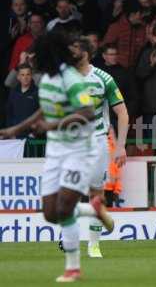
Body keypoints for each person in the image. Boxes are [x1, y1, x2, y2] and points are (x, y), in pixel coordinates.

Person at [0, 31, 114, 282]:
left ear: (47, 53)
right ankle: (93, 208)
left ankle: (73, 267)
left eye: (34, 53)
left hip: (78, 150)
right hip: (55, 151)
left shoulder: (71, 78)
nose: (30, 58)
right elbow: (46, 107)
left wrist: (52, 126)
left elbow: (87, 112)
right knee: (50, 213)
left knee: (63, 208)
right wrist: (15, 130)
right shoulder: (48, 78)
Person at [70, 36, 129, 258]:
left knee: (96, 193)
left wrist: (121, 145)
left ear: (86, 52)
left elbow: (122, 113)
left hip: (97, 141)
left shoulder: (104, 78)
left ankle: (94, 245)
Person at [6, 63, 39, 138]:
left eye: (28, 74)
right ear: (18, 77)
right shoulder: (13, 92)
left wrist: (34, 133)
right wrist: (11, 133)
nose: (25, 77)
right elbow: (9, 114)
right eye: (22, 75)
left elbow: (41, 115)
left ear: (31, 76)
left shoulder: (38, 92)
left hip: (33, 138)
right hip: (15, 137)